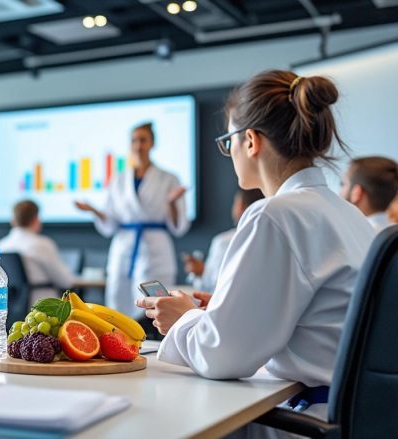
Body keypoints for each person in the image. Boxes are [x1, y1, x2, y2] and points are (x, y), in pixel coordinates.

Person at [138, 70, 375, 431]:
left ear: (249, 140)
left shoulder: (275, 215)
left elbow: (223, 357)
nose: (228, 152)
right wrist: (220, 307)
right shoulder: (349, 215)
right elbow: (314, 318)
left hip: (302, 421)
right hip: (355, 417)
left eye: (227, 140)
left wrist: (183, 319)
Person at [74, 122, 190, 319]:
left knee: (155, 307)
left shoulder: (169, 178)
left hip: (155, 247)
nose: (138, 145)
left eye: (143, 140)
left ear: (152, 143)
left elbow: (178, 227)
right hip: (124, 245)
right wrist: (94, 210)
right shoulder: (119, 179)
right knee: (118, 303)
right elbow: (111, 223)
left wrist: (171, 203)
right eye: (134, 141)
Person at [0, 200, 76, 306]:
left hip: (11, 308)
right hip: (43, 308)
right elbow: (66, 281)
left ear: (13, 219)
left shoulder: (1, 245)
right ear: (36, 219)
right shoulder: (42, 244)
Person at [183, 189, 264, 293]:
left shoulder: (224, 241)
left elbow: (215, 287)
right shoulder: (270, 239)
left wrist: (201, 272)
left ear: (240, 206)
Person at [339, 156, 398, 231]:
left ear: (357, 193)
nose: (340, 192)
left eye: (343, 184)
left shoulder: (354, 234)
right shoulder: (392, 233)